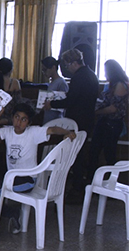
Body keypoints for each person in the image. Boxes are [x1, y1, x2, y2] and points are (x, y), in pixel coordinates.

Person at [0, 103, 76, 236]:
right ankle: (13, 213)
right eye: (16, 117)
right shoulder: (7, 131)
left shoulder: (33, 132)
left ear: (29, 122)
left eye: (23, 119)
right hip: (11, 177)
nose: (18, 122)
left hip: (28, 179)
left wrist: (67, 132)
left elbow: (53, 130)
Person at [43, 48, 99, 200]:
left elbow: (70, 101)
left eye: (67, 65)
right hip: (88, 119)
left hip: (78, 121)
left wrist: (52, 104)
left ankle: (77, 190)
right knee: (79, 154)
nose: (66, 69)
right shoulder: (92, 75)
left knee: (75, 156)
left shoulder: (79, 77)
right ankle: (78, 188)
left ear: (74, 63)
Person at [87, 59, 128, 180]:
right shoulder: (111, 85)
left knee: (109, 154)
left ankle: (110, 183)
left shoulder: (120, 85)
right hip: (105, 122)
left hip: (111, 123)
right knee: (94, 152)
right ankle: (93, 181)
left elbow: (113, 108)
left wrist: (96, 112)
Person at [40, 56, 69, 123]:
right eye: (42, 70)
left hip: (56, 119)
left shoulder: (61, 83)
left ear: (53, 68)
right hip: (48, 117)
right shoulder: (52, 82)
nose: (44, 72)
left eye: (45, 70)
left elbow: (64, 103)